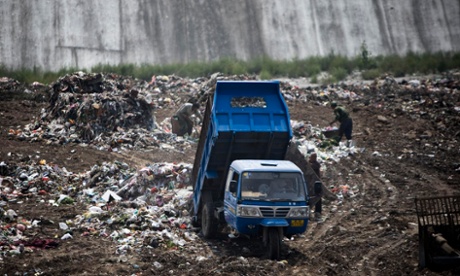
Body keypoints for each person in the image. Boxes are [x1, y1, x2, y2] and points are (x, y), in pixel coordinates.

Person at [309, 153, 323, 222]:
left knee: (317, 198)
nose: (310, 158)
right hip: (312, 184)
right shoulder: (313, 164)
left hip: (316, 185)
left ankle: (317, 212)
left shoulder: (315, 165)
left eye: (311, 157)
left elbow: (310, 167)